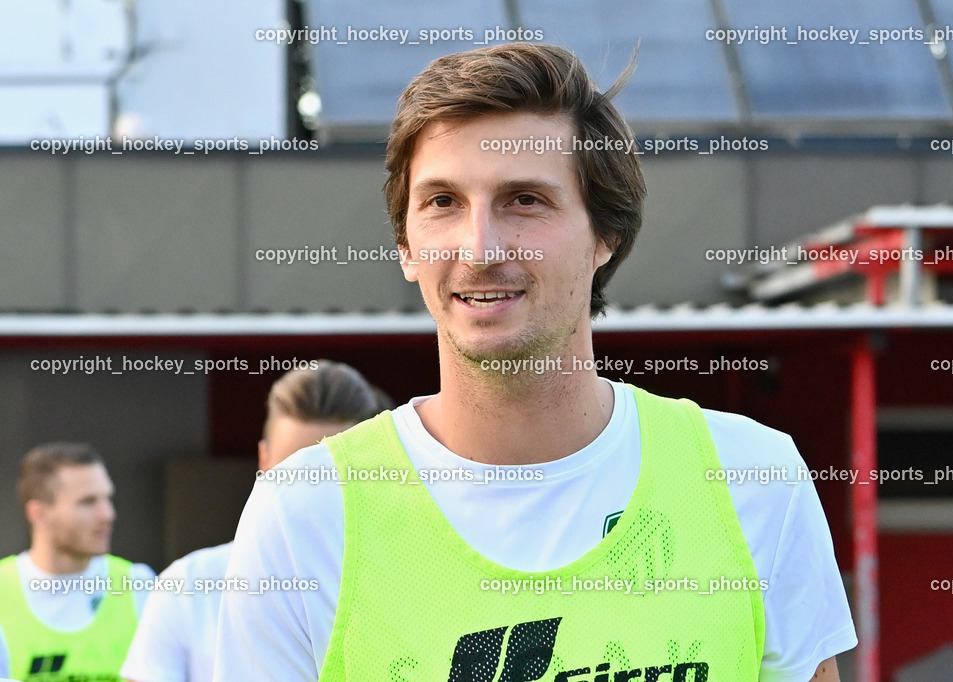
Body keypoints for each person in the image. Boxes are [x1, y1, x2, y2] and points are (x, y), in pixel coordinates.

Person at [215, 43, 857, 682]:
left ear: (606, 234)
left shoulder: (750, 479)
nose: (480, 249)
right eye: (442, 202)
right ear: (406, 246)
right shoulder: (303, 516)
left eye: (524, 199)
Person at [120, 361, 392, 682]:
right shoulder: (188, 587)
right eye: (291, 471)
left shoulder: (406, 582)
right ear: (264, 461)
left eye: (330, 472)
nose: (309, 490)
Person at [0, 442, 156, 681]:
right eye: (88, 502)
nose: (107, 514)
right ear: (38, 513)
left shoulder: (138, 584)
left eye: (107, 499)